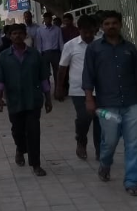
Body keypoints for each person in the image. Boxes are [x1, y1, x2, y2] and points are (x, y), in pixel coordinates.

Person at [82, 10, 137, 196]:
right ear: (102, 27)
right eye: (107, 23)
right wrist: (89, 99)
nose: (111, 26)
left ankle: (131, 181)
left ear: (120, 24)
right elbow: (88, 76)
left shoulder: (130, 48)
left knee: (133, 143)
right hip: (107, 105)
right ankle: (105, 164)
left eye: (114, 23)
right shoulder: (94, 49)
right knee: (110, 141)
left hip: (131, 103)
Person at [0, 23, 52, 177]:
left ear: (25, 35)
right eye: (14, 33)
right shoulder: (4, 56)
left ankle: (36, 164)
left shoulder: (35, 55)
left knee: (34, 132)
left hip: (33, 100)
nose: (17, 36)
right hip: (14, 100)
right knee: (17, 131)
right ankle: (20, 149)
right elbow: (0, 80)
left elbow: (44, 78)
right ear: (9, 36)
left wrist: (48, 99)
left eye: (20, 33)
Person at [56, 15, 100, 161]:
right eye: (84, 32)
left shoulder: (102, 44)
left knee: (100, 120)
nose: (88, 35)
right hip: (78, 90)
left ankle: (100, 150)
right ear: (79, 30)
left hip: (101, 89)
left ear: (96, 30)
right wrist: (59, 87)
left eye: (91, 32)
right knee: (84, 117)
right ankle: (81, 140)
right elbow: (62, 68)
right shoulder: (70, 45)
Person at [36, 12, 64, 91]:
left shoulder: (57, 29)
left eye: (49, 18)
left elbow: (60, 42)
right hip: (45, 53)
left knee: (57, 73)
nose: (47, 20)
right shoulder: (40, 30)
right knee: (46, 73)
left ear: (51, 19)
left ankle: (58, 90)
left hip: (55, 52)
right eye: (46, 19)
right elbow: (39, 43)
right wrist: (39, 54)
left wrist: (62, 53)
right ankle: (47, 90)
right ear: (44, 19)